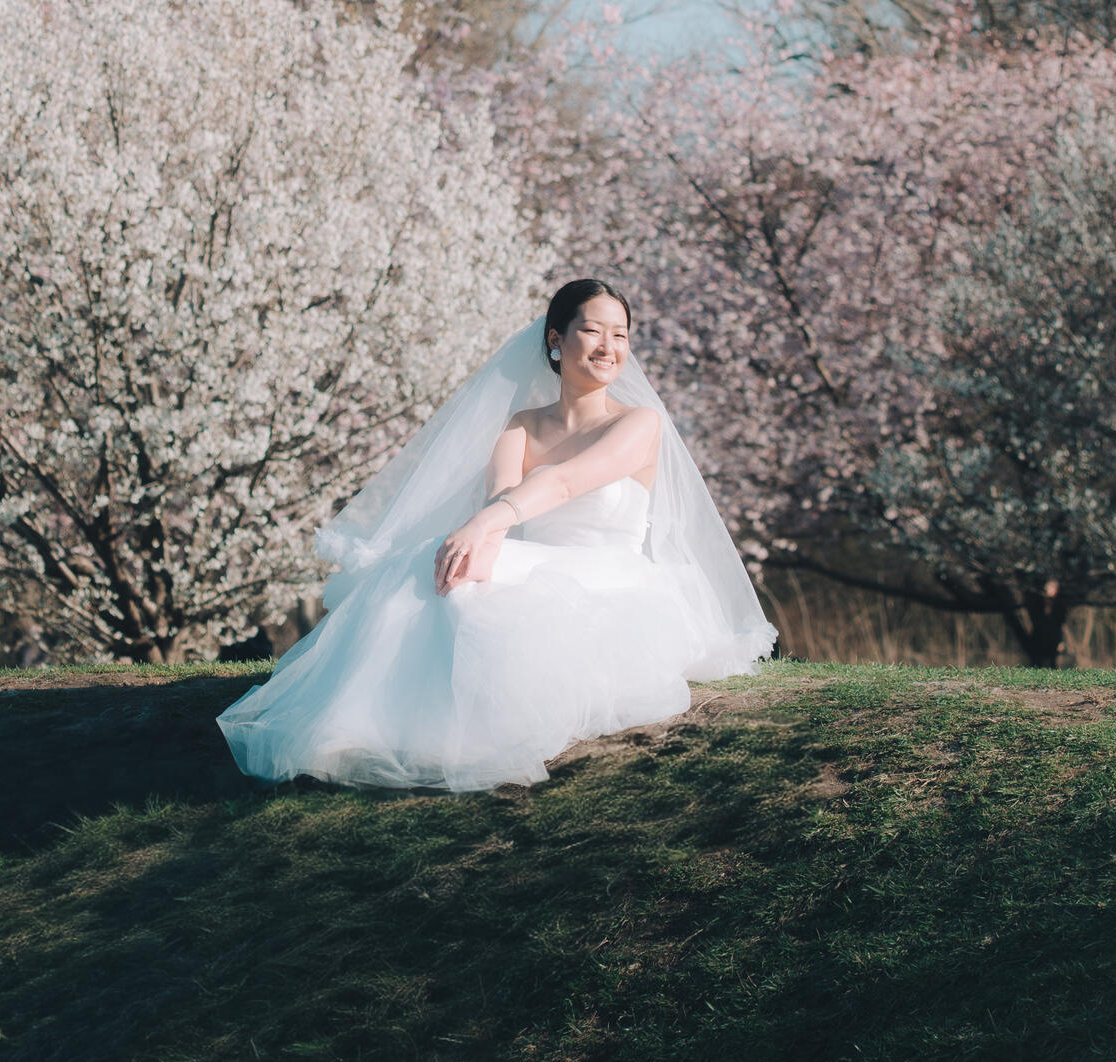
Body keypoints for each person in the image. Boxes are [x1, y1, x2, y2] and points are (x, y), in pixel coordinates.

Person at [217, 278, 776, 791]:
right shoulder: (522, 425)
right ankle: (366, 725)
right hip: (534, 556)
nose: (609, 347)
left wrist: (487, 523)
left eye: (621, 335)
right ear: (557, 341)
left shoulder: (638, 424)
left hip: (612, 571)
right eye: (592, 331)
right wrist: (482, 537)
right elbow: (502, 497)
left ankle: (466, 737)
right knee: (431, 570)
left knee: (480, 576)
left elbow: (561, 483)